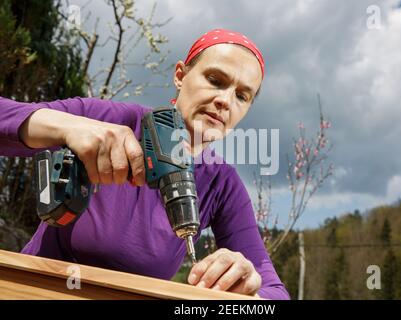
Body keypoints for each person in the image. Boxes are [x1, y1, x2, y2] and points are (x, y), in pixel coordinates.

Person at [0, 29, 290, 299]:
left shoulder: (221, 182)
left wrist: (249, 287)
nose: (225, 101)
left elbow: (274, 292)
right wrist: (64, 126)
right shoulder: (110, 122)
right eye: (215, 80)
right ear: (180, 75)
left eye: (242, 96)